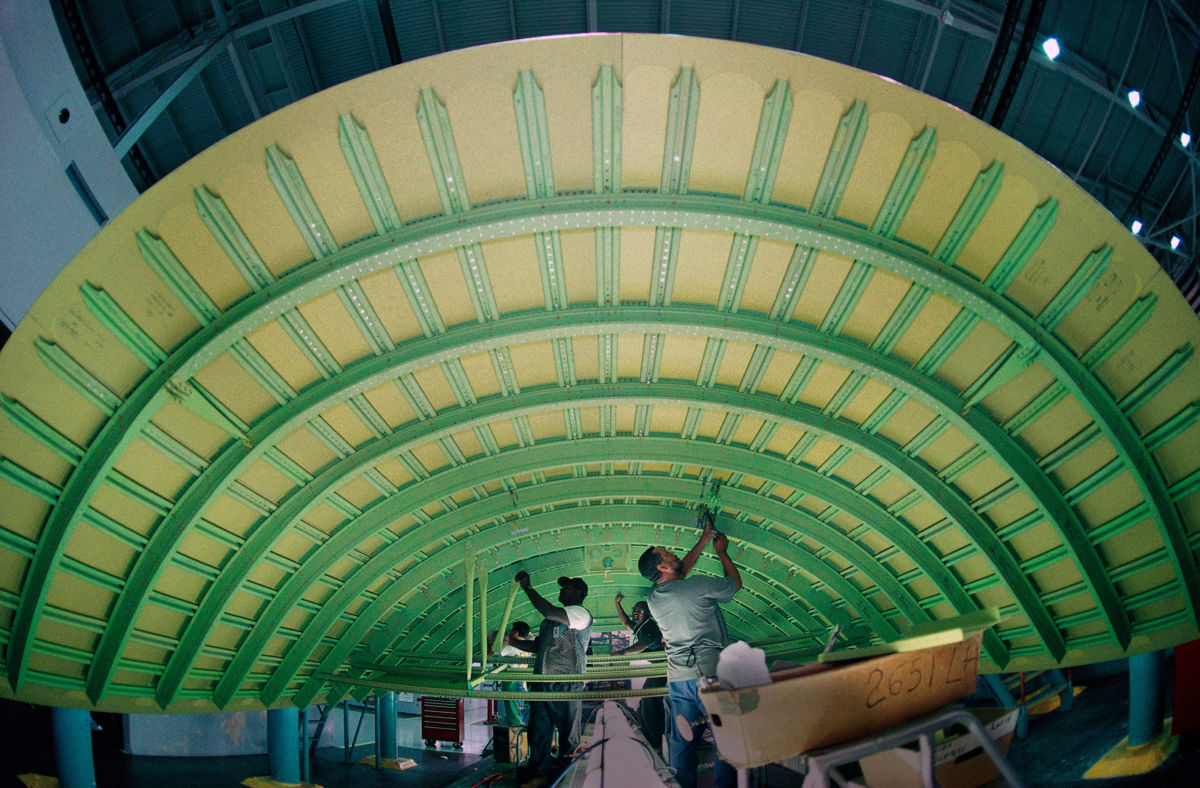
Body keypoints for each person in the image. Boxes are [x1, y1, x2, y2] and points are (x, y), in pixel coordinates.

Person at [641, 522, 741, 788]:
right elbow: (733, 586)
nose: (673, 553)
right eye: (668, 554)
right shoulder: (697, 586)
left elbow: (680, 572)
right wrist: (721, 553)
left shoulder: (654, 596)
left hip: (678, 679)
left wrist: (704, 539)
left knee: (682, 743)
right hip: (709, 676)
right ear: (662, 567)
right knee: (725, 739)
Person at [510, 572, 593, 788]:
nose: (563, 589)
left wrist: (528, 588)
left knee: (568, 736)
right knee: (538, 732)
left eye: (569, 587)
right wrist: (510, 641)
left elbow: (550, 611)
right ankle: (539, 775)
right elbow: (537, 646)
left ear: (580, 593)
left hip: (567, 682)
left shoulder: (580, 614)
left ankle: (568, 778)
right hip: (542, 681)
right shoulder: (550, 621)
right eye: (563, 586)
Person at [613, 594, 667, 754]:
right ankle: (649, 738)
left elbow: (644, 644)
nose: (636, 612)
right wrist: (617, 603)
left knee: (650, 704)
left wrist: (624, 652)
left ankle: (657, 742)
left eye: (640, 610)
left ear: (648, 613)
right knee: (645, 703)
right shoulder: (641, 626)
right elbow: (625, 622)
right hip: (656, 671)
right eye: (634, 610)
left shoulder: (649, 627)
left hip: (662, 671)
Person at [497, 620, 531, 726]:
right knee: (519, 713)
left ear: (516, 633)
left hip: (512, 683)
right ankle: (519, 739)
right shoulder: (528, 647)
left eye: (511, 631)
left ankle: (516, 740)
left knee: (514, 717)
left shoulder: (510, 647)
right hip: (522, 683)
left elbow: (496, 657)